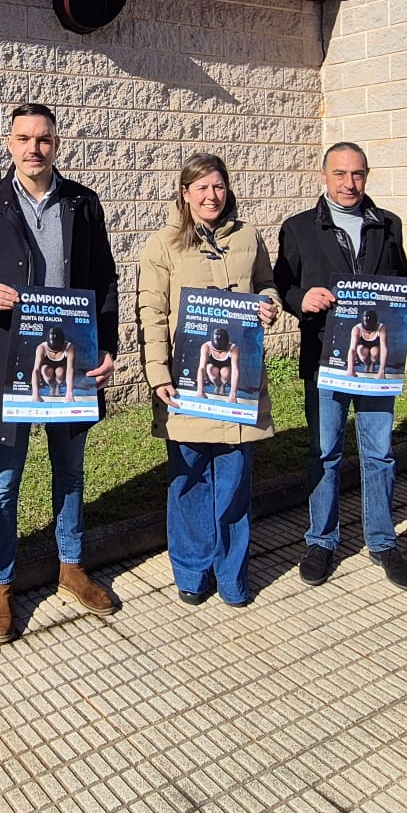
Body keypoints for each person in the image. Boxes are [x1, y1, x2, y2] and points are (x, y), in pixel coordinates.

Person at [0, 103, 120, 644]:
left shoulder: (82, 203)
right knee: (6, 479)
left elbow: (105, 280)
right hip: (9, 364)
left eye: (43, 139)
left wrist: (108, 346)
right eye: (24, 138)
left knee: (69, 470)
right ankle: (1, 580)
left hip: (70, 362)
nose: (34, 148)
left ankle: (71, 566)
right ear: (8, 143)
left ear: (56, 143)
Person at [274, 142, 407, 592]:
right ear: (323, 175)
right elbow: (282, 284)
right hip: (325, 361)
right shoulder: (299, 228)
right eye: (340, 174)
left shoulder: (387, 225)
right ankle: (321, 540)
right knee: (324, 453)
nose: (349, 183)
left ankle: (383, 542)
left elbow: (398, 281)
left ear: (367, 176)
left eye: (358, 174)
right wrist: (298, 300)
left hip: (376, 364)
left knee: (379, 454)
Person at [138, 154, 280, 607]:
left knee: (235, 482)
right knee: (190, 479)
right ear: (184, 193)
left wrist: (269, 304)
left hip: (239, 385)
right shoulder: (162, 245)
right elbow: (152, 314)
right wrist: (157, 373)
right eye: (200, 188)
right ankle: (193, 571)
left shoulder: (249, 237)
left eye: (217, 186)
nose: (210, 196)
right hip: (188, 383)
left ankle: (233, 573)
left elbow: (267, 284)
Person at [32, 324, 75, 401]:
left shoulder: (70, 347)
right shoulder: (41, 348)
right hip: (47, 367)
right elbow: (36, 370)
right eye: (51, 351)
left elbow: (70, 369)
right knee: (45, 370)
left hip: (61, 367)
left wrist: (69, 394)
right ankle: (51, 386)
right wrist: (35, 394)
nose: (55, 353)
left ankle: (58, 386)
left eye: (58, 351)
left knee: (60, 371)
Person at [197, 325, 240, 400]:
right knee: (211, 369)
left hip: (226, 367)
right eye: (216, 350)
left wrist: (233, 394)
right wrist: (200, 391)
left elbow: (235, 370)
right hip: (212, 366)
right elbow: (202, 368)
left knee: (225, 371)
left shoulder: (234, 349)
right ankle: (217, 385)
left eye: (222, 350)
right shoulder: (206, 347)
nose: (219, 353)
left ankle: (223, 385)